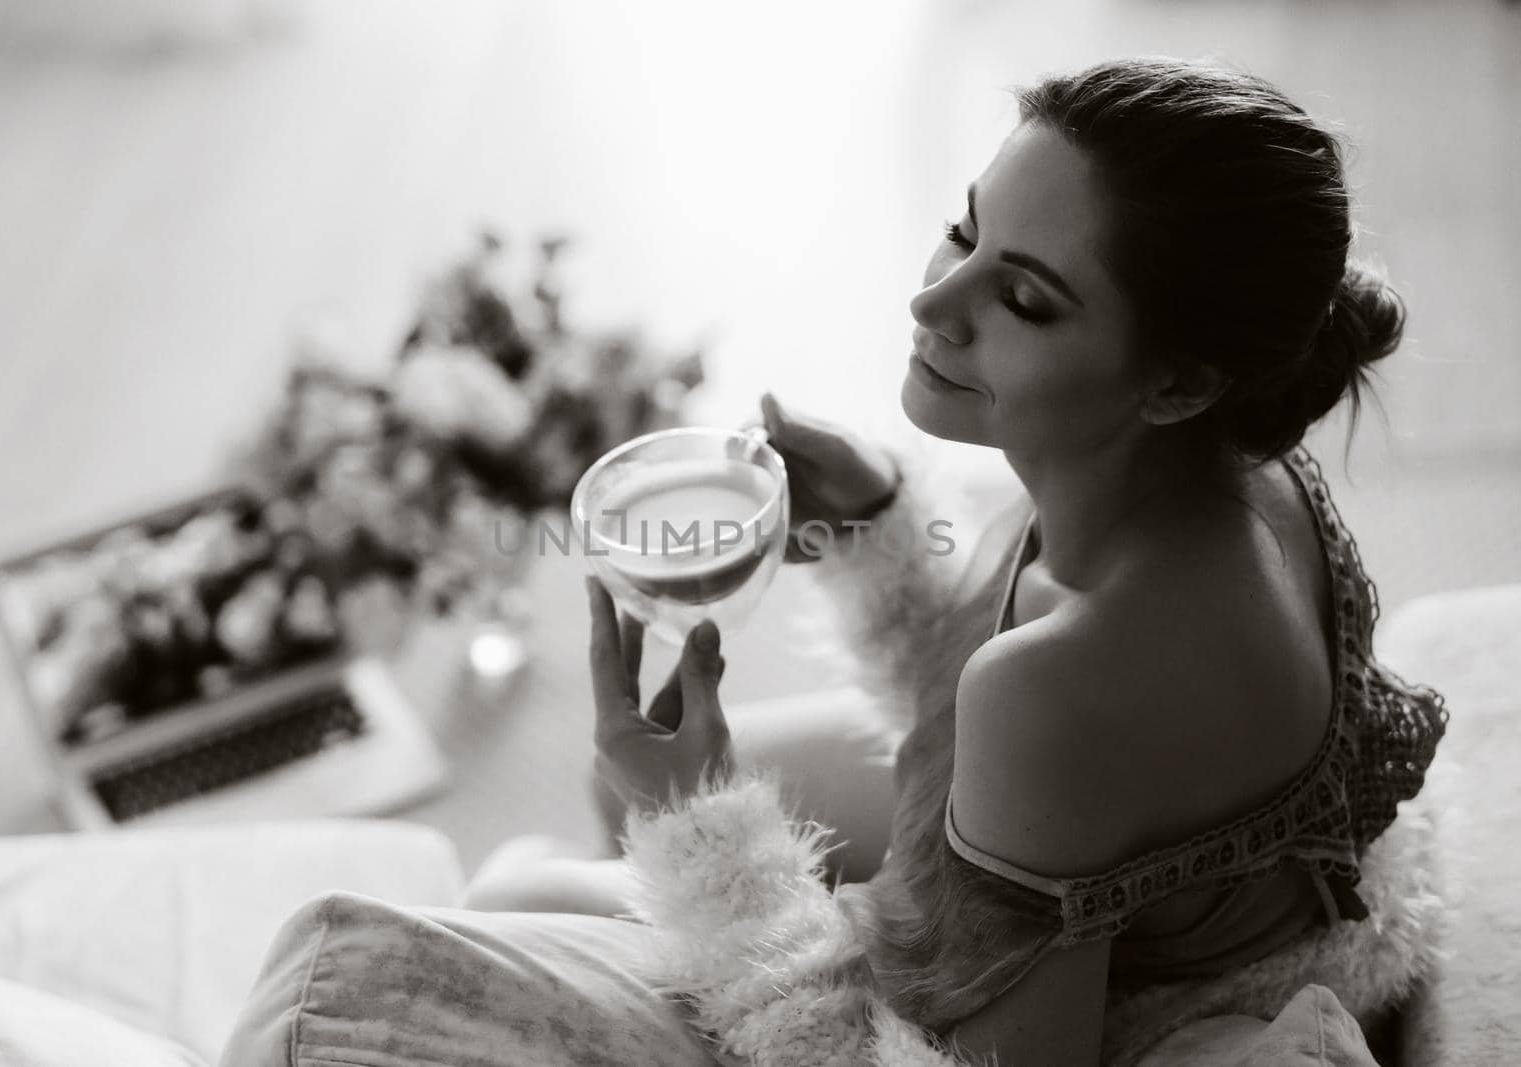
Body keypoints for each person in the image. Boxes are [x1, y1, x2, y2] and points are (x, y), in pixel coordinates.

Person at [222, 57, 1448, 1067]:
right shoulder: (1235, 467)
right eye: (963, 232)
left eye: (1022, 298)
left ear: (1177, 379)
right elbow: (1029, 709)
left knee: (515, 883)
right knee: (595, 825)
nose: (934, 306)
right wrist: (872, 524)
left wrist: (697, 827)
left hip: (1159, 993)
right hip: (1192, 895)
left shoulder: (1067, 686)